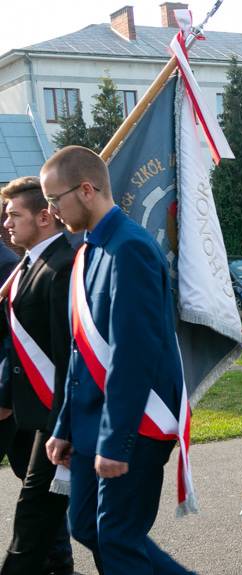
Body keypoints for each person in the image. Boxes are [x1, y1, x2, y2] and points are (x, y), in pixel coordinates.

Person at [42, 146, 195, 574]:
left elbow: (133, 353)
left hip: (134, 422)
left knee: (117, 540)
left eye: (56, 199)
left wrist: (116, 442)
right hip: (93, 419)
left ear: (86, 189)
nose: (52, 211)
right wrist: (65, 425)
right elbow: (80, 351)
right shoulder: (88, 250)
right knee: (87, 527)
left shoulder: (131, 249)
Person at [0, 177, 75, 575]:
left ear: (45, 217)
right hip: (36, 410)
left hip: (57, 414)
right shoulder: (31, 263)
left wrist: (61, 424)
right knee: (51, 515)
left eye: (14, 215)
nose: (6, 224)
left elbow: (66, 355)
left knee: (36, 515)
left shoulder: (61, 267)